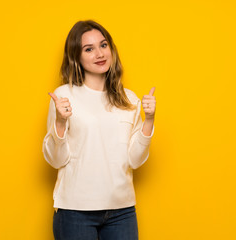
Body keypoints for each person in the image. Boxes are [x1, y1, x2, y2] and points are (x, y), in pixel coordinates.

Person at [42, 20, 156, 240]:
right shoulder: (64, 95)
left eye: (103, 45)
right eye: (89, 49)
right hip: (75, 211)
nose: (99, 54)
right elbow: (55, 160)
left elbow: (134, 160)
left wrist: (149, 120)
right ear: (77, 57)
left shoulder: (129, 99)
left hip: (122, 211)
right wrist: (60, 123)